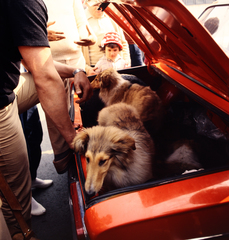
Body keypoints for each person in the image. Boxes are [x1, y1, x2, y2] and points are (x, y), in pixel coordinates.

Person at [0, 0, 92, 239]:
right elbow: (43, 75)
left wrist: (75, 71)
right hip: (0, 104)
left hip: (8, 87)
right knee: (15, 192)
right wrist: (74, 138)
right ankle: (19, 231)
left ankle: (60, 157)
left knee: (59, 78)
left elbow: (37, 65)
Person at [82, 0, 131, 75]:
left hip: (117, 67)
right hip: (94, 70)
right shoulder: (81, 20)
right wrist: (87, 69)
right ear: (86, 3)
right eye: (95, 5)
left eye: (102, 4)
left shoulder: (112, 17)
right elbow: (76, 51)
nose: (99, 8)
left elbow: (123, 42)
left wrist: (126, 60)